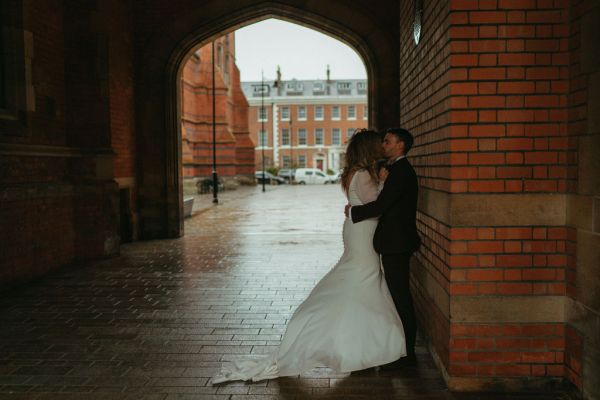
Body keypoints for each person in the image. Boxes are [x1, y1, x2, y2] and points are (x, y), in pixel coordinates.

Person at [212, 129, 406, 384]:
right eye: (378, 143)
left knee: (363, 281)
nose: (382, 146)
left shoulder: (355, 173)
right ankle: (359, 342)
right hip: (362, 234)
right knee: (362, 278)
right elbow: (376, 207)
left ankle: (366, 346)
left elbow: (364, 206)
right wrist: (382, 182)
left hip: (358, 231)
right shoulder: (366, 176)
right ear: (369, 149)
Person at [345, 127, 421, 369]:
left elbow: (381, 205)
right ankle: (400, 351)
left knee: (400, 297)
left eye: (387, 141)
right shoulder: (393, 169)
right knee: (396, 296)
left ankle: (407, 354)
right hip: (392, 241)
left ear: (400, 145)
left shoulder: (401, 171)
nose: (383, 145)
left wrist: (353, 211)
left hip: (397, 243)